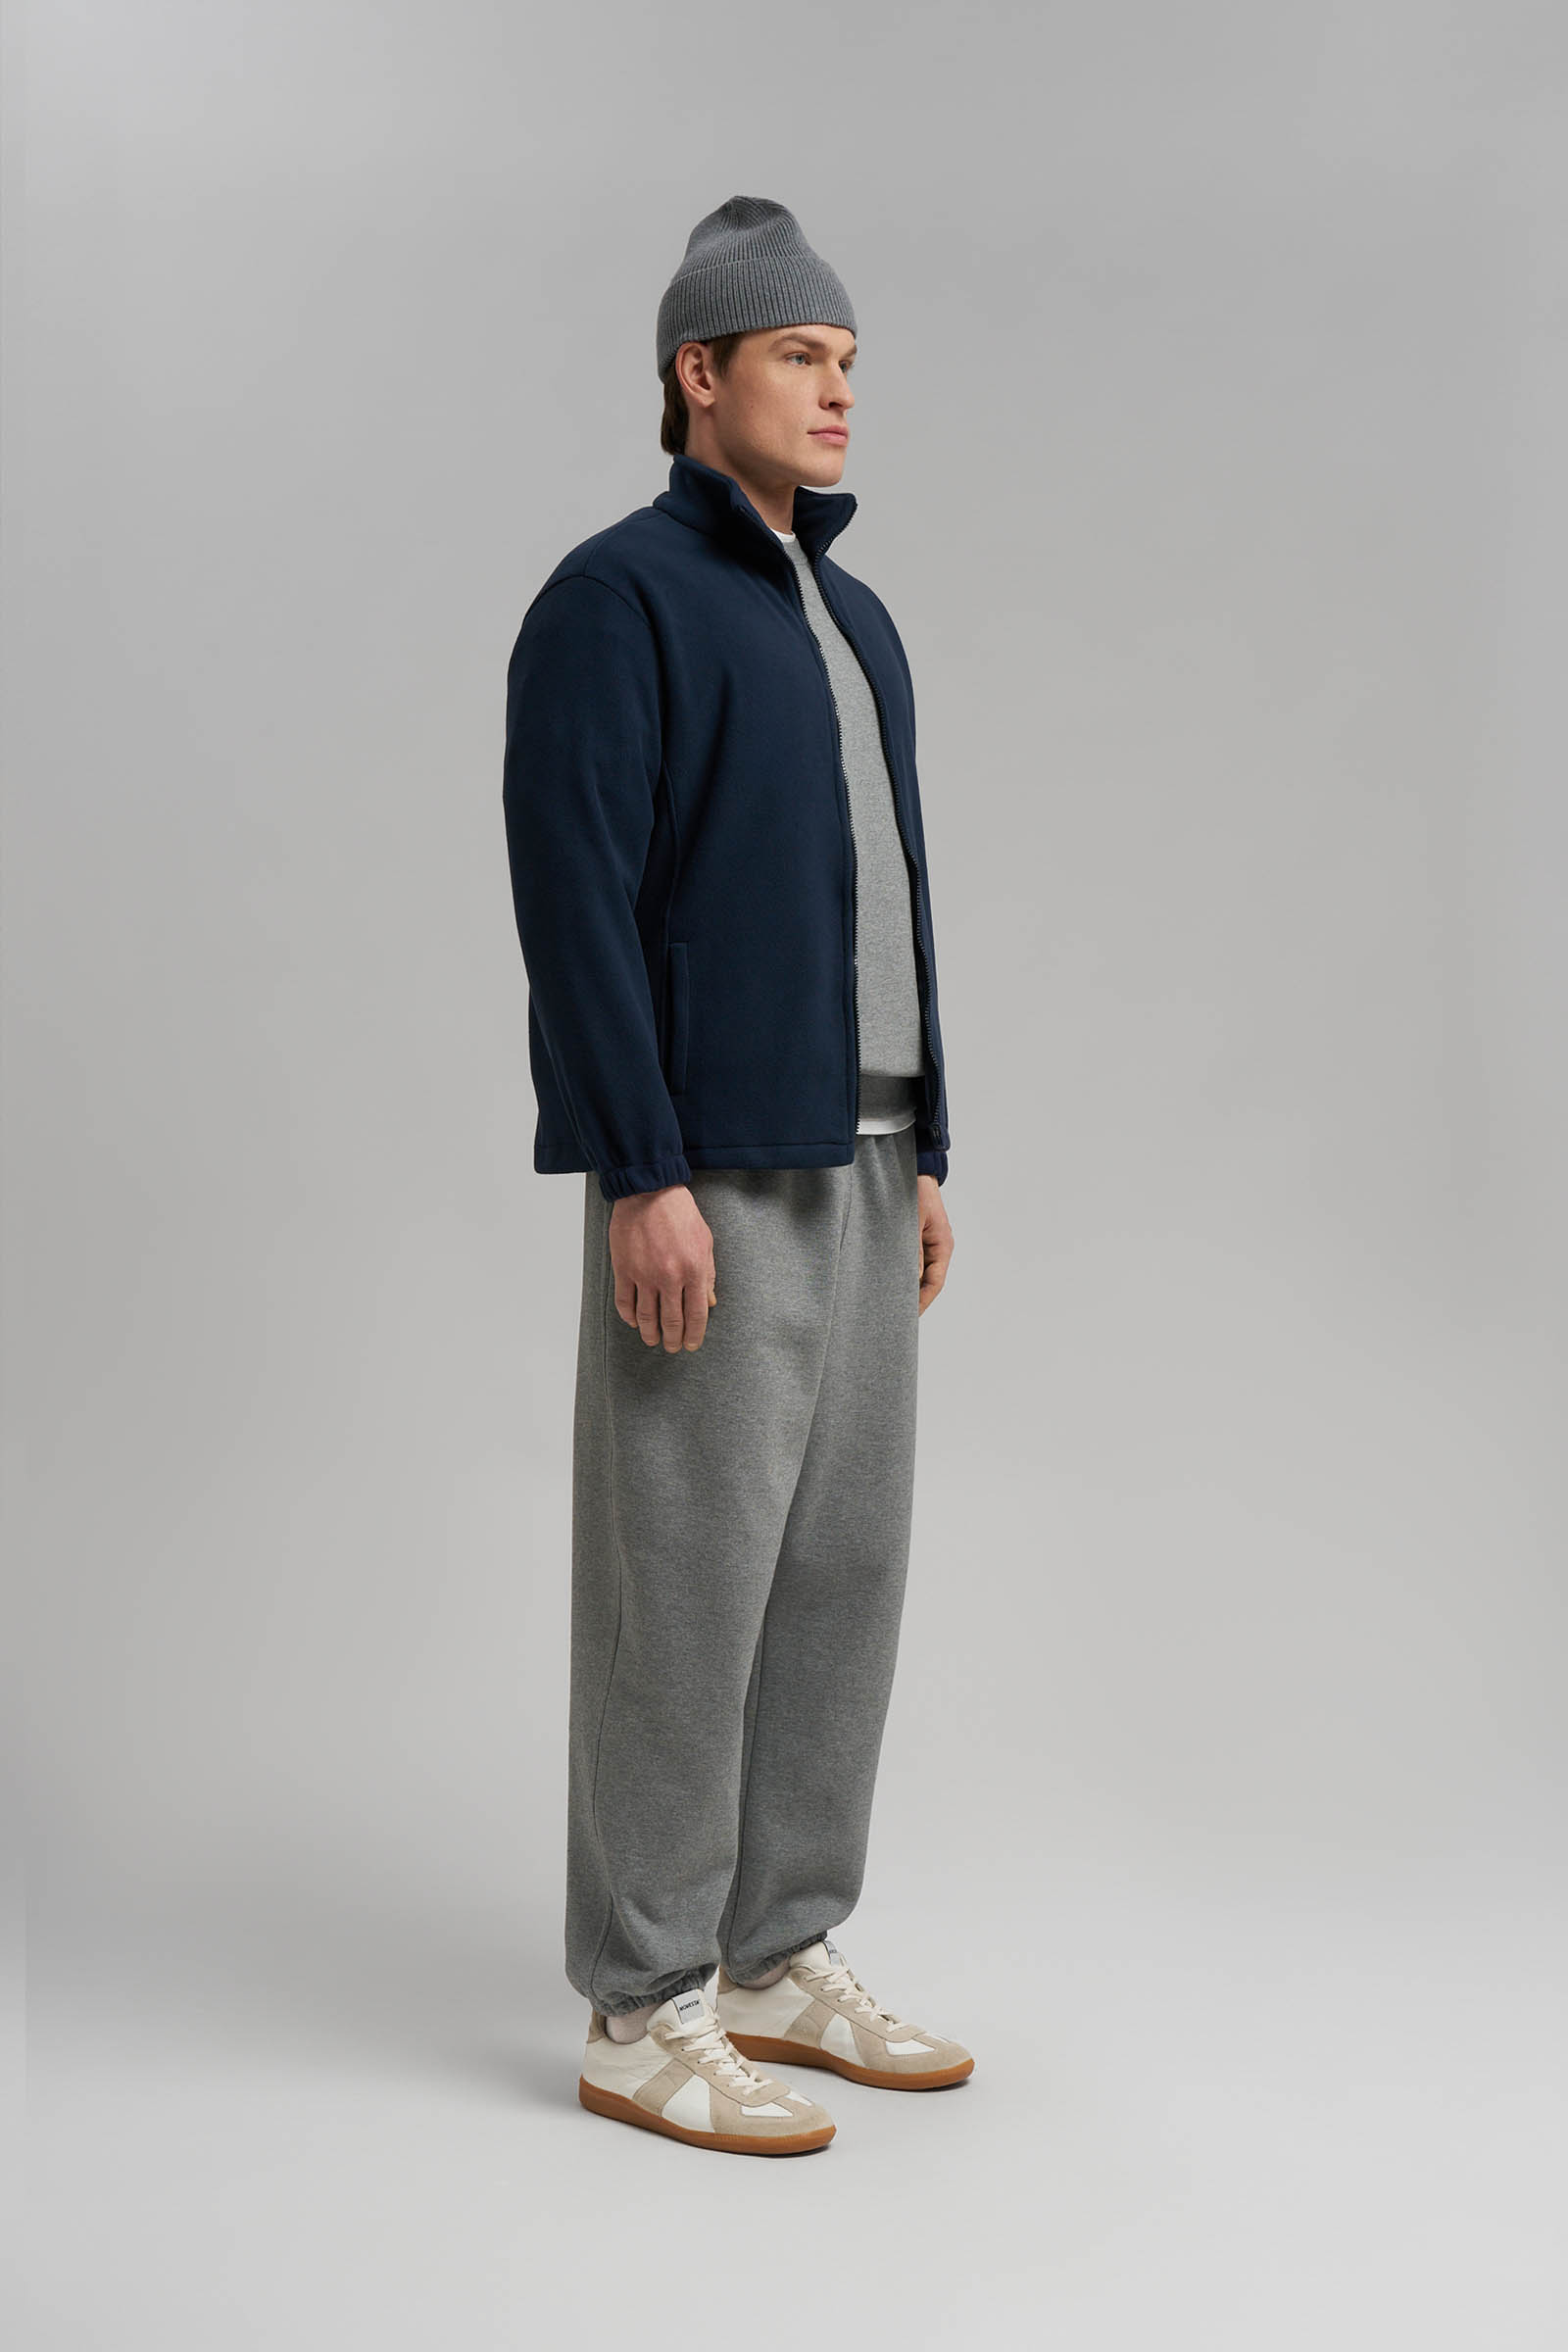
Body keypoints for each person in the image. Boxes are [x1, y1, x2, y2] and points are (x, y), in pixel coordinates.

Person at [501, 194, 972, 2156]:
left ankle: (777, 1954)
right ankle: (639, 2001)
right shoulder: (612, 600)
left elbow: (894, 896)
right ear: (699, 372)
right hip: (709, 1164)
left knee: (841, 1576)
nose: (837, 390)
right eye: (800, 354)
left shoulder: (857, 623)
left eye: (849, 361)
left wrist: (929, 1142)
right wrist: (640, 1167)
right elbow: (577, 902)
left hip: (864, 1154)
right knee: (683, 1587)